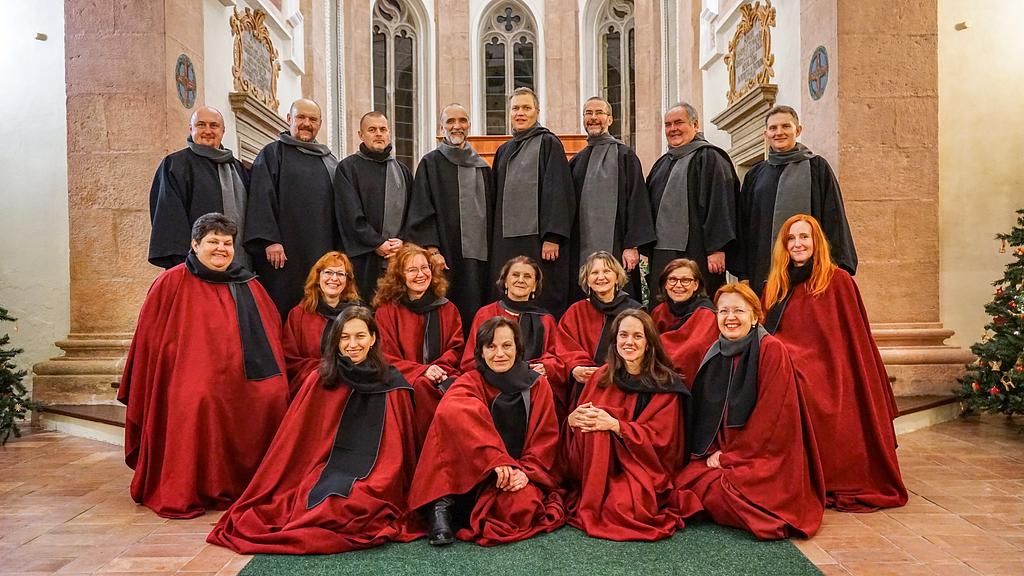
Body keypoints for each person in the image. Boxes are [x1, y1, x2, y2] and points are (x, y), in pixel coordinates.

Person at [207, 306, 419, 554]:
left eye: (360, 336)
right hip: (325, 468)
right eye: (344, 337)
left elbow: (400, 451)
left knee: (359, 500)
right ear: (335, 340)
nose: (352, 344)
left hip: (377, 473)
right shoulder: (320, 379)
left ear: (373, 339)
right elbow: (297, 442)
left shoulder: (393, 383)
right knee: (326, 503)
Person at [118, 213, 289, 518]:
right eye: (213, 242)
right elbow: (150, 339)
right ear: (195, 245)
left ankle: (253, 486)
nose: (221, 248)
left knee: (273, 395)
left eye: (227, 243)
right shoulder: (171, 281)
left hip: (243, 374)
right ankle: (190, 487)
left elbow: (271, 332)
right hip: (184, 375)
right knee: (197, 399)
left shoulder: (247, 283)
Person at [762, 214, 907, 511]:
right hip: (790, 361)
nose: (798, 244)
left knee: (804, 387)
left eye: (804, 237)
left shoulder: (838, 279)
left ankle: (830, 477)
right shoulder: (777, 284)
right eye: (791, 238)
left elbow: (851, 338)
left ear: (817, 242)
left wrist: (805, 360)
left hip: (834, 368)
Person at [673, 282, 824, 539]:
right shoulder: (715, 352)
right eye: (723, 311)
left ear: (754, 317)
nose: (730, 318)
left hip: (763, 456)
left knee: (728, 494)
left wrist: (729, 457)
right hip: (722, 453)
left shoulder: (771, 350)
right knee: (684, 485)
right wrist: (714, 451)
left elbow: (773, 417)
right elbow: (707, 413)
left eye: (739, 311)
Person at [408, 317, 565, 546]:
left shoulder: (537, 385)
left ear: (518, 348)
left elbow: (545, 439)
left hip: (516, 470)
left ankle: (465, 511)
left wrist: (524, 472)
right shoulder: (471, 380)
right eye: (491, 346)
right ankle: (441, 505)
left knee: (522, 507)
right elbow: (452, 410)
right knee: (456, 412)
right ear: (481, 351)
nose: (499, 354)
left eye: (507, 345)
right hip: (477, 471)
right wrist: (495, 459)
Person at [566, 310, 690, 541]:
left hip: (642, 466)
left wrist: (616, 425)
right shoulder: (602, 376)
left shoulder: (665, 384)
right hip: (599, 465)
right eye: (623, 335)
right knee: (594, 424)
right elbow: (582, 421)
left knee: (623, 508)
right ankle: (593, 493)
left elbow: (663, 441)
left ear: (649, 343)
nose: (629, 342)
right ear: (615, 341)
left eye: (637, 336)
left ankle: (602, 496)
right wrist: (572, 420)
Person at [735, 105, 857, 295]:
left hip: (811, 272)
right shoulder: (755, 174)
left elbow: (834, 218)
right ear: (765, 134)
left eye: (786, 126)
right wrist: (743, 273)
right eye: (773, 128)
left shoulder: (817, 167)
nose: (779, 132)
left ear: (798, 130)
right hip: (764, 269)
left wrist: (838, 266)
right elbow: (745, 225)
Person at [245, 98, 341, 319]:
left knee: (318, 307)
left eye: (313, 119)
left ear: (320, 124)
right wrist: (269, 240)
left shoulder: (330, 161)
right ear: (289, 119)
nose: (307, 123)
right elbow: (261, 196)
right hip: (283, 255)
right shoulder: (272, 154)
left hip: (320, 248)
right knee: (282, 308)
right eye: (301, 117)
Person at [403, 103, 492, 330]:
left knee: (476, 310)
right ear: (441, 127)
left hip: (477, 261)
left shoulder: (482, 167)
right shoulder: (430, 164)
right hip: (443, 257)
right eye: (450, 121)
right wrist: (432, 251)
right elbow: (421, 209)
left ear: (469, 125)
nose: (456, 126)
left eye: (462, 121)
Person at [490, 87, 576, 318]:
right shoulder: (503, 151)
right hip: (506, 242)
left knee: (539, 294)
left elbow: (558, 191)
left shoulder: (549, 143)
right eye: (515, 108)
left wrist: (553, 237)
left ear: (537, 112)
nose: (520, 113)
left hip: (539, 242)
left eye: (526, 108)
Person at [645, 103, 739, 298]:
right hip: (663, 254)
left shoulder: (711, 158)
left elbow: (721, 204)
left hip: (699, 253)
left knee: (698, 303)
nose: (673, 129)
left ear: (695, 125)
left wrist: (717, 248)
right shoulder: (661, 165)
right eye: (668, 124)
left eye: (679, 122)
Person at [374, 244, 464, 443]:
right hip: (401, 378)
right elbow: (385, 355)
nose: (421, 274)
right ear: (400, 275)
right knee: (421, 386)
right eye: (412, 270)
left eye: (425, 268)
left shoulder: (447, 309)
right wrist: (422, 371)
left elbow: (456, 348)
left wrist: (437, 370)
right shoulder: (387, 311)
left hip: (444, 374)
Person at [568, 97, 655, 299]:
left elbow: (637, 201)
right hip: (582, 247)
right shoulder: (577, 161)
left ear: (610, 119)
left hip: (618, 246)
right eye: (588, 113)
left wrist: (632, 245)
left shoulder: (625, 156)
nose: (593, 117)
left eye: (599, 113)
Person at [461, 257, 567, 421]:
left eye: (527, 276)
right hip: (491, 387)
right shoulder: (485, 314)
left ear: (535, 285)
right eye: (515, 275)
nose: (521, 280)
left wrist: (546, 367)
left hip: (531, 387)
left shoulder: (546, 320)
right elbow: (469, 360)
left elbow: (557, 359)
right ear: (505, 281)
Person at [148, 107, 251, 269]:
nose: (207, 131)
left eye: (214, 125)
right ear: (191, 129)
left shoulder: (238, 168)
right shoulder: (175, 165)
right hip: (193, 264)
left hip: (238, 264)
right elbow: (169, 217)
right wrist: (184, 263)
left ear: (223, 131)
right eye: (201, 125)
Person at [334, 111, 413, 303]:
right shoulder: (347, 168)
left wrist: (402, 240)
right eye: (372, 129)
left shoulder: (402, 171)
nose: (378, 134)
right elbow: (349, 213)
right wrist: (377, 243)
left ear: (389, 133)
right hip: (363, 258)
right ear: (360, 135)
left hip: (397, 257)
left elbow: (413, 213)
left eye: (383, 129)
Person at [556, 251, 640, 408]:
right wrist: (575, 367)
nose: (601, 277)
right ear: (587, 280)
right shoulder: (576, 311)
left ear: (617, 277)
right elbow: (564, 347)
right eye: (594, 273)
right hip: (585, 385)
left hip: (623, 386)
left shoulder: (635, 312)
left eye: (606, 271)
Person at [281, 251, 361, 393]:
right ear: (318, 278)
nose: (334, 278)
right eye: (328, 272)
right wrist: (328, 369)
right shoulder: (299, 315)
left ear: (347, 280)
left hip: (352, 386)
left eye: (340, 274)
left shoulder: (357, 315)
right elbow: (289, 359)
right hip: (312, 386)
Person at [651, 259, 719, 386]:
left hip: (689, 383)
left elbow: (695, 348)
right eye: (672, 279)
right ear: (665, 284)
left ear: (696, 285)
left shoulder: (706, 313)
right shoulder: (659, 311)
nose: (678, 285)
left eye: (685, 280)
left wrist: (659, 361)